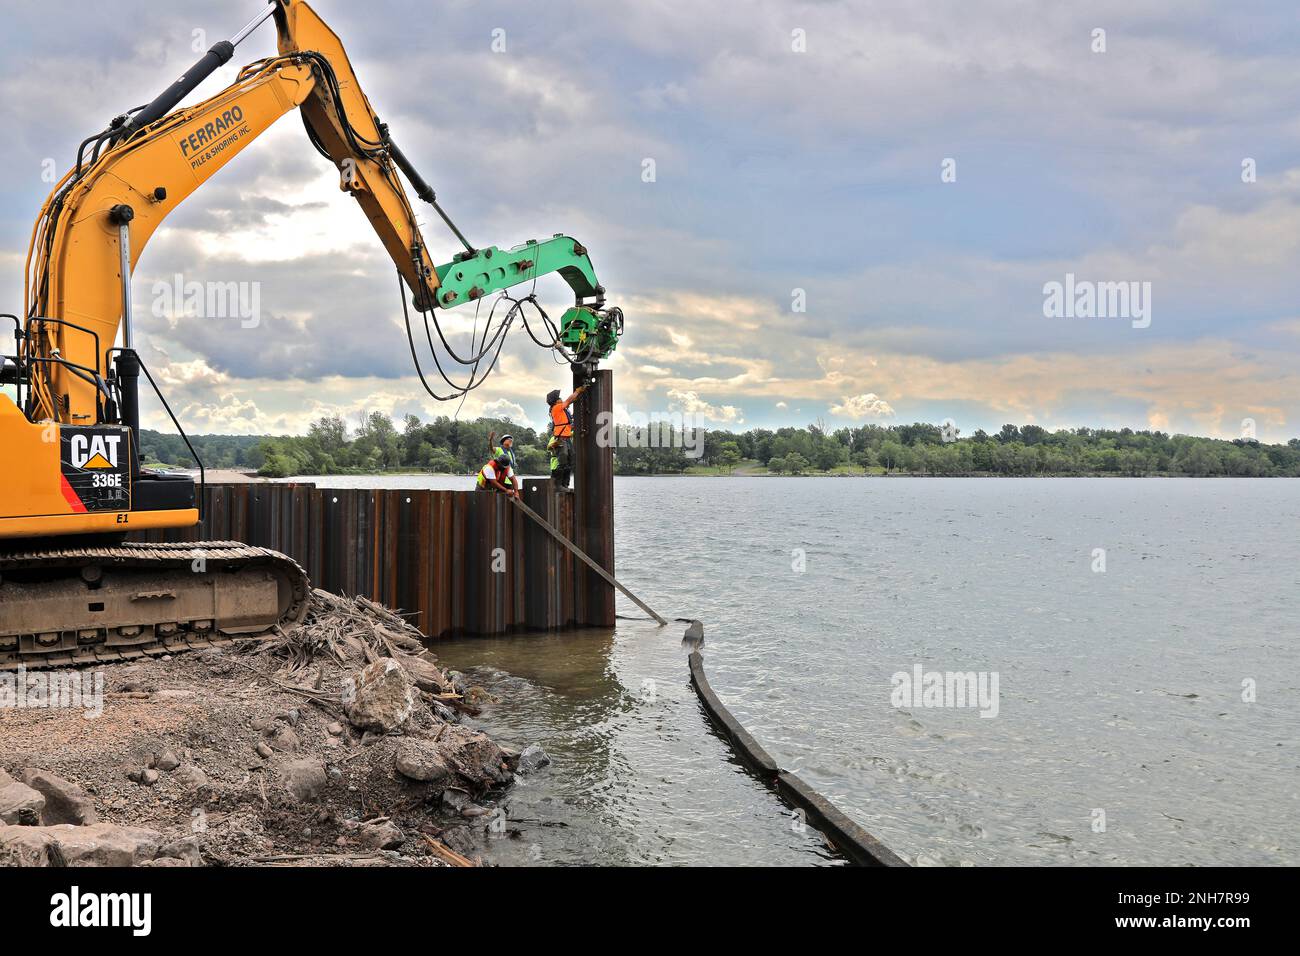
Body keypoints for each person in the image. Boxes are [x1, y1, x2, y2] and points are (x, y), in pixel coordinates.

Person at [547, 384, 586, 489]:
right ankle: (558, 485)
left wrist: (579, 394)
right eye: (559, 398)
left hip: (567, 438)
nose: (561, 398)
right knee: (563, 461)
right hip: (561, 439)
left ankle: (565, 484)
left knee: (570, 461)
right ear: (556, 401)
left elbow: (571, 401)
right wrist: (577, 391)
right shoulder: (556, 408)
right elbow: (569, 400)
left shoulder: (562, 409)